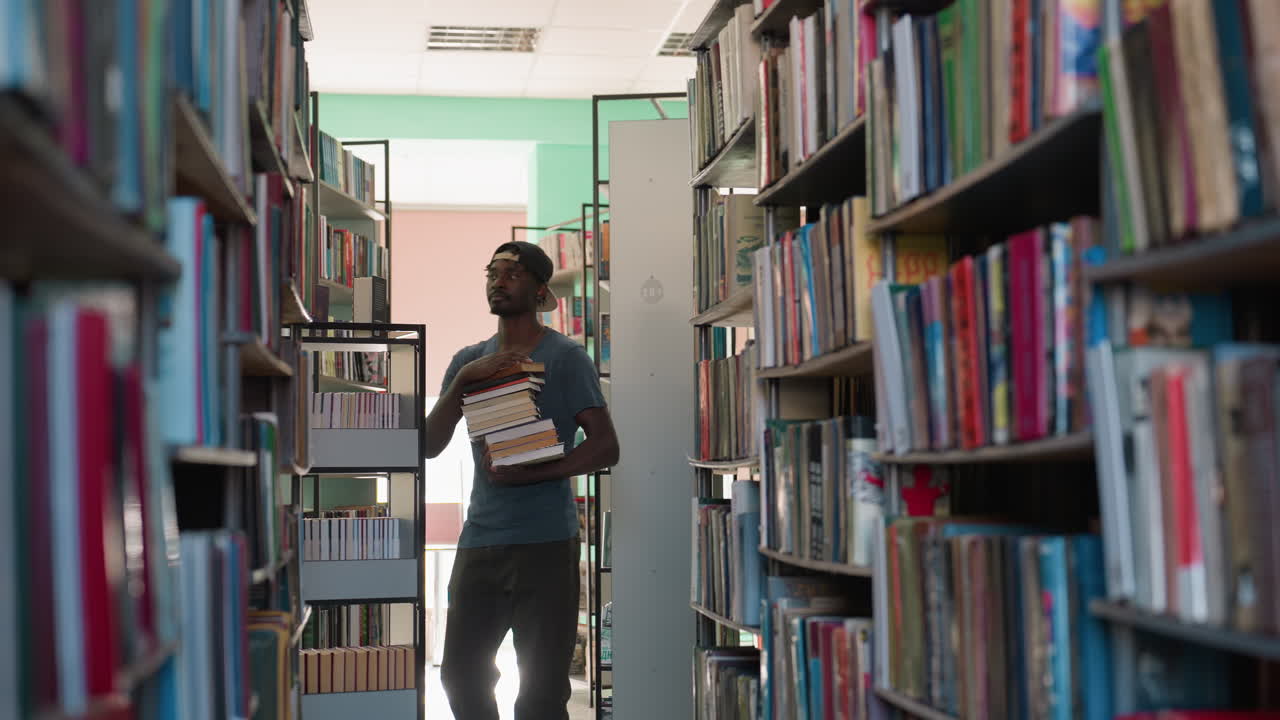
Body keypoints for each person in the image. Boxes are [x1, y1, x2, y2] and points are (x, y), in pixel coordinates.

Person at [425, 240, 619, 720]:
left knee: (541, 692)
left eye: (512, 272)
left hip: (547, 543)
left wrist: (537, 472)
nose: (498, 279)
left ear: (538, 291)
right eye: (493, 271)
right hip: (480, 541)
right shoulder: (468, 359)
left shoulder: (566, 358)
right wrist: (465, 378)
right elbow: (427, 444)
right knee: (460, 676)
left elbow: (606, 446)